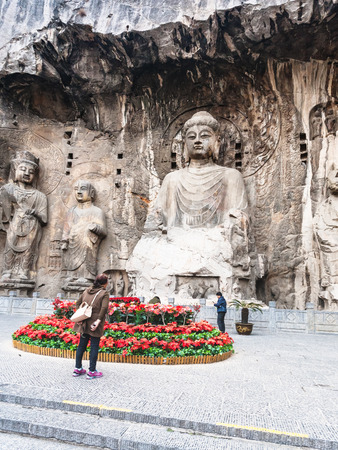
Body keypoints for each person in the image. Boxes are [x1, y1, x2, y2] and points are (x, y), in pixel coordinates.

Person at [0, 150, 47, 281]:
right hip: (14, 223)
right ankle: (7, 270)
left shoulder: (40, 196)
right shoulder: (7, 189)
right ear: (15, 171)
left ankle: (24, 271)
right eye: (23, 169)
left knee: (29, 250)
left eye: (31, 172)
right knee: (10, 245)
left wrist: (35, 213)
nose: (27, 173)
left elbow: (44, 218)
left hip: (31, 226)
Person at [61, 180, 107, 283]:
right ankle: (72, 275)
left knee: (86, 251)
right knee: (71, 259)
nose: (79, 192)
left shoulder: (97, 211)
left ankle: (86, 276)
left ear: (91, 193)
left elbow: (104, 231)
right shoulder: (72, 211)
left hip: (88, 243)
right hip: (73, 241)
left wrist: (94, 227)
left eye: (83, 188)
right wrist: (64, 241)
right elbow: (66, 228)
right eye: (76, 189)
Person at [73, 273, 110, 379]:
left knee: (81, 346)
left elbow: (78, 303)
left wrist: (79, 317)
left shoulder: (87, 290)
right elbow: (104, 308)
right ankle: (92, 371)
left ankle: (78, 369)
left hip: (84, 322)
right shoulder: (104, 293)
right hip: (94, 324)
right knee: (94, 347)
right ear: (105, 283)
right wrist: (98, 321)